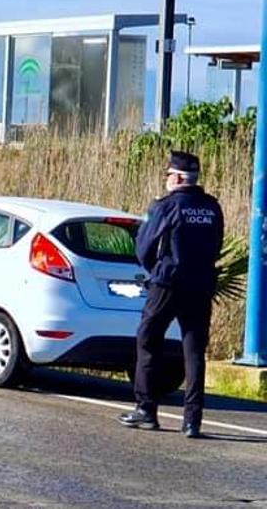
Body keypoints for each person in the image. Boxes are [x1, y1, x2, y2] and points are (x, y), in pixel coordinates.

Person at [118, 150, 224, 438]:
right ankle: (192, 420)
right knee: (194, 350)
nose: (166, 179)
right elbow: (217, 245)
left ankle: (146, 409)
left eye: (168, 175)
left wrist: (156, 268)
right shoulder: (212, 207)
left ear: (177, 177)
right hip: (200, 284)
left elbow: (144, 246)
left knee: (148, 339)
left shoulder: (166, 205)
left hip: (168, 283)